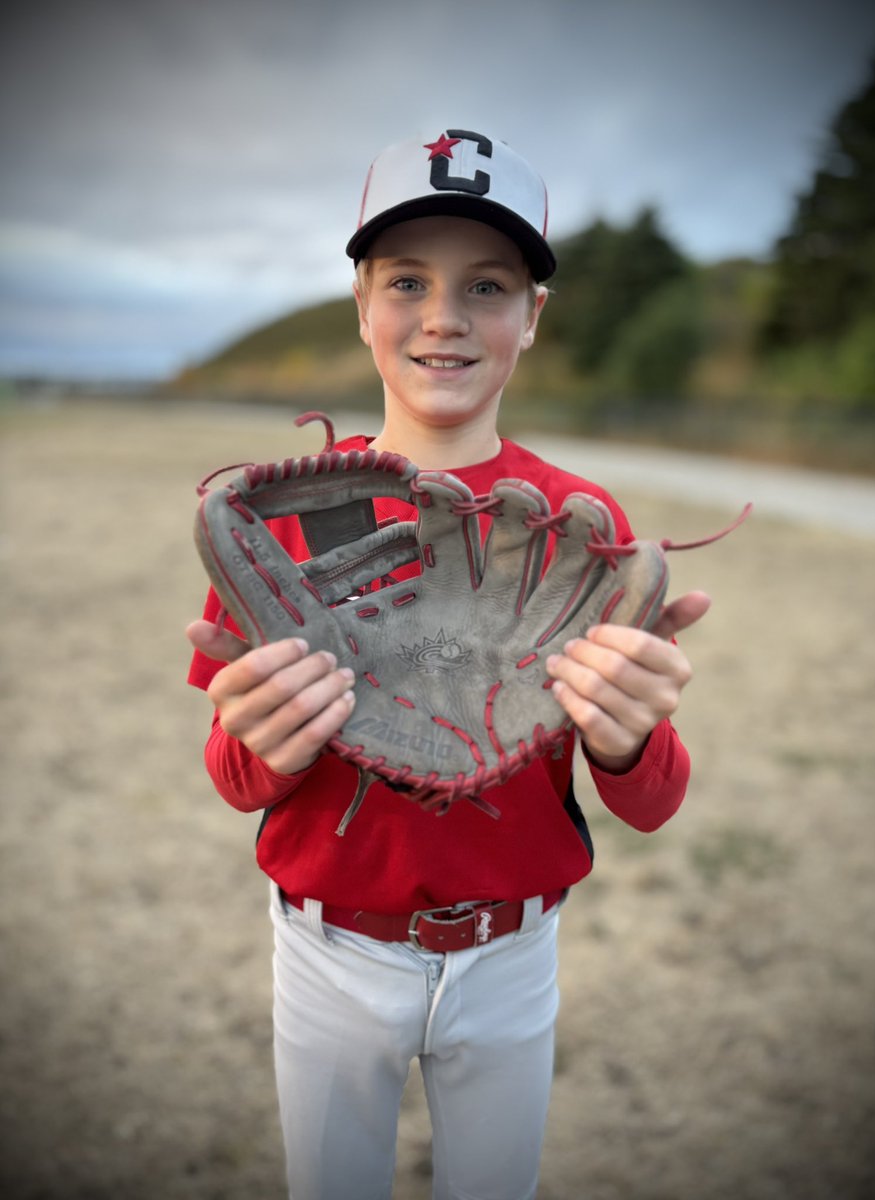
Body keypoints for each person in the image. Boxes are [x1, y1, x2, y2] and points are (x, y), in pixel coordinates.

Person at [186, 127, 710, 1200]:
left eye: (487, 285)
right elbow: (236, 779)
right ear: (362, 301)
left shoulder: (575, 526)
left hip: (514, 956)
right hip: (332, 949)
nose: (443, 317)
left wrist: (629, 737)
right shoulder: (283, 517)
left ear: (532, 317)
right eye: (407, 280)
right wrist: (267, 747)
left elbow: (653, 803)